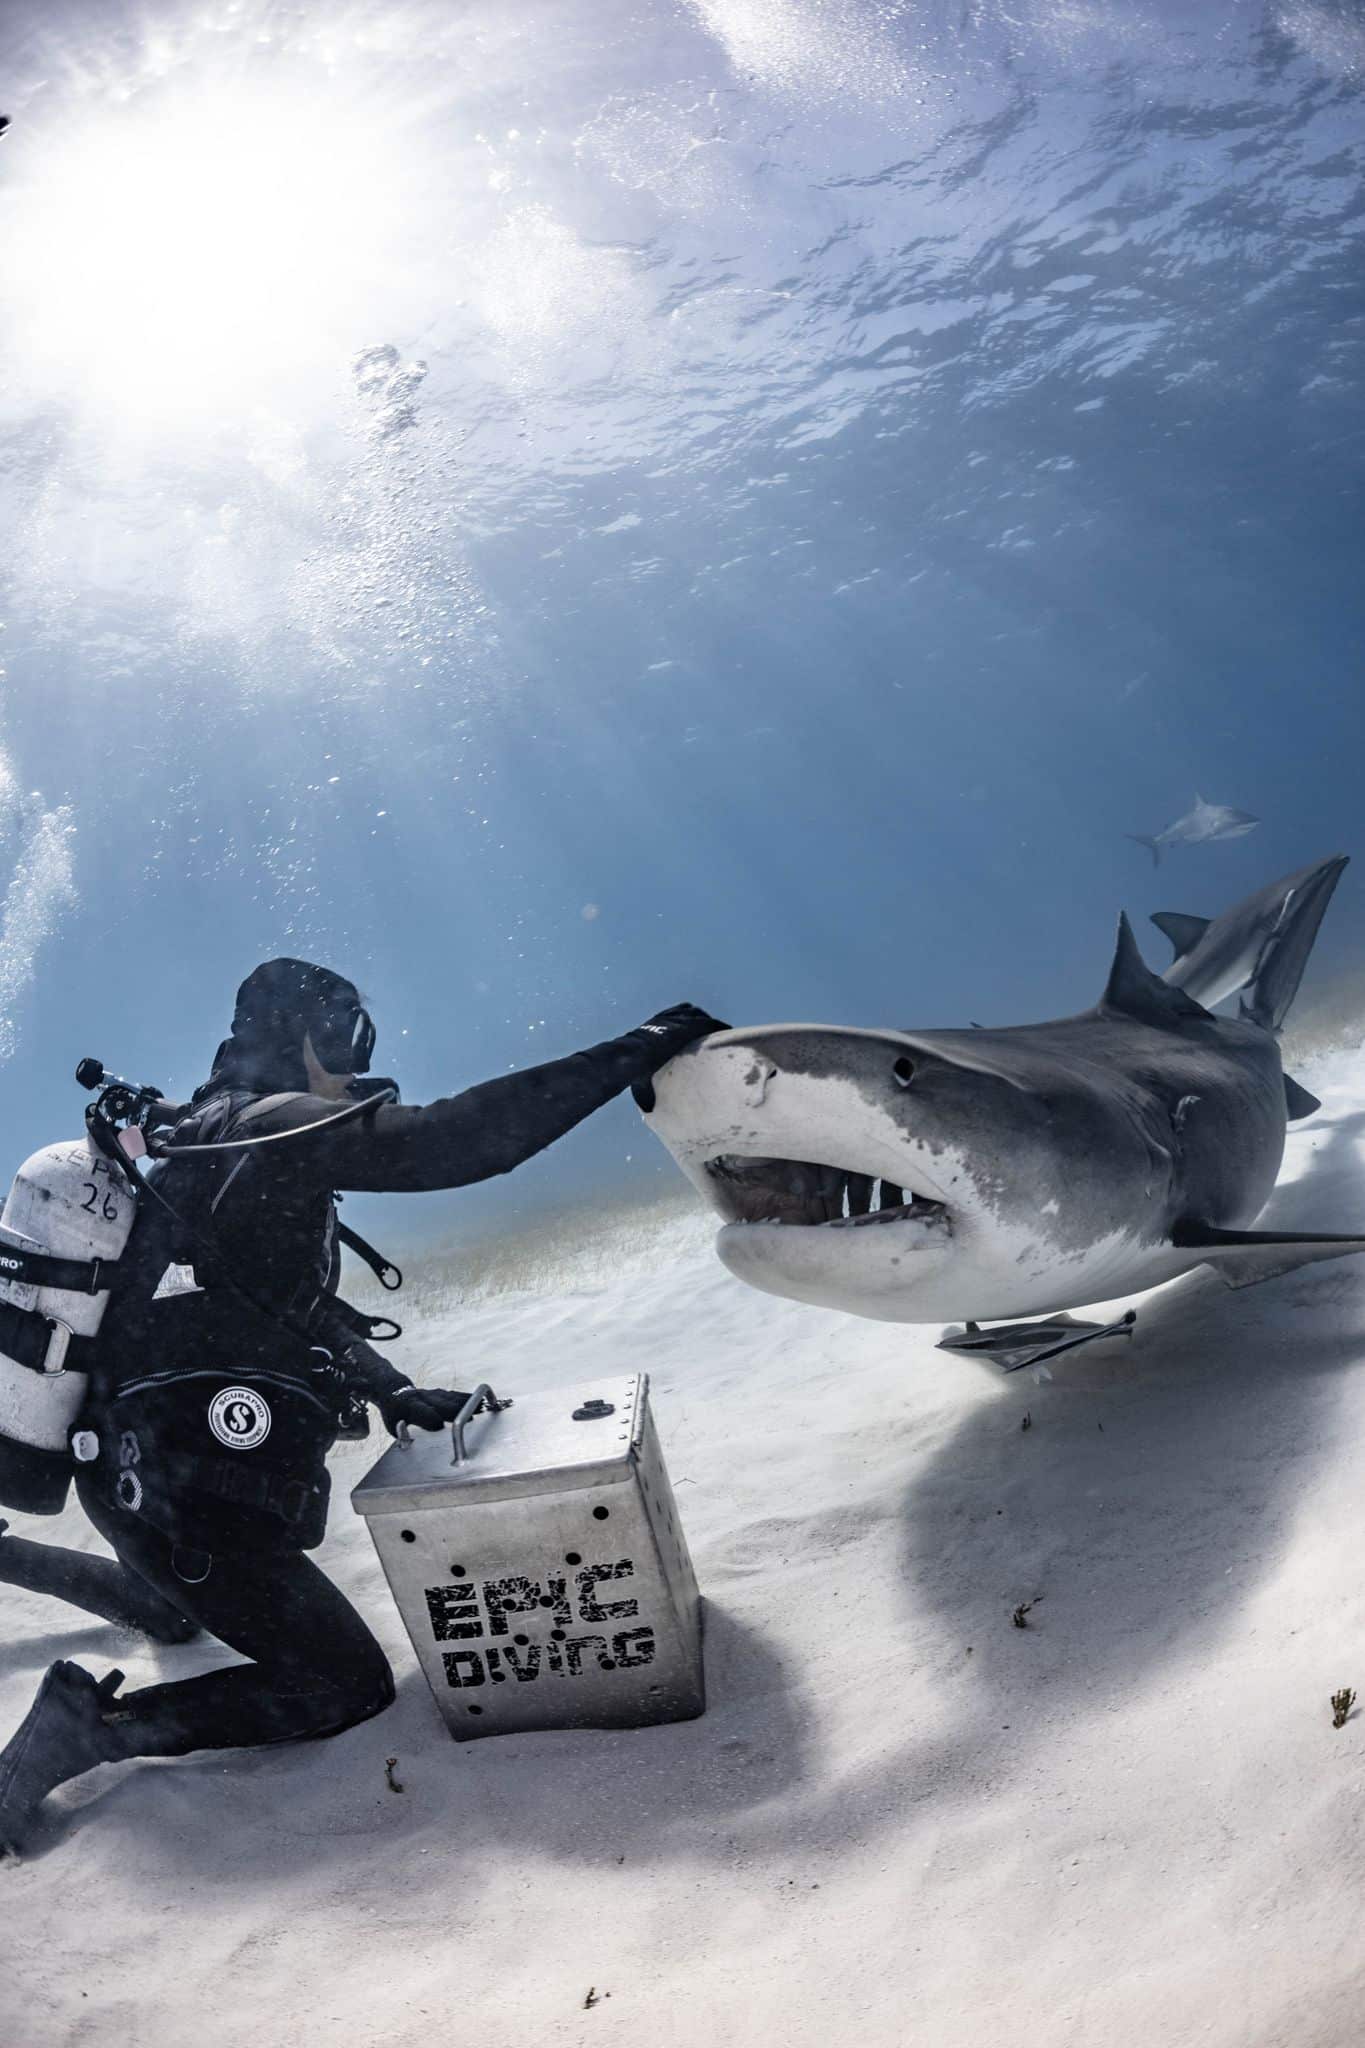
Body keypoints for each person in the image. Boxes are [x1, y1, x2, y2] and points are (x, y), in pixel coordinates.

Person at [0, 959, 724, 1853]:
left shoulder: (201, 1141)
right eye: (348, 1035)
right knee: (339, 1682)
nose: (353, 1061)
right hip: (185, 1500)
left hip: (129, 1483)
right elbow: (452, 1143)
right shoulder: (263, 1128)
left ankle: (10, 1559)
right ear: (304, 1034)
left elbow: (268, 1309)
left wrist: (392, 1391)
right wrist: (634, 1052)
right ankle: (83, 1735)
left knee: (180, 1612)